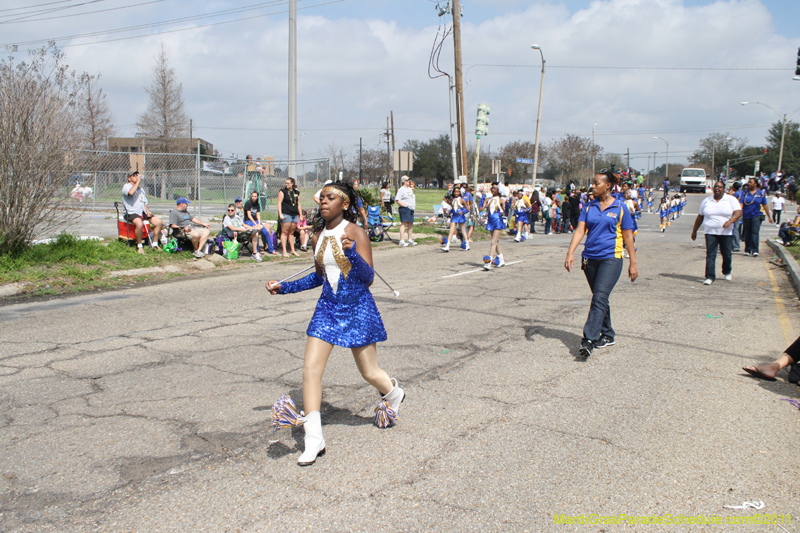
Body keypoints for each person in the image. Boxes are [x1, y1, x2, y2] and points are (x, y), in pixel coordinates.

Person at [266, 181, 405, 466]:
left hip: (358, 309)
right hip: (327, 310)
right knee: (310, 371)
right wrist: (285, 287)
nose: (324, 202)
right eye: (322, 198)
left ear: (344, 204)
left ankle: (392, 392)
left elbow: (367, 278)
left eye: (331, 198)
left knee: (369, 372)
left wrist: (352, 253)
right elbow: (318, 277)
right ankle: (314, 438)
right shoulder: (318, 236)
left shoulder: (356, 232)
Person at [565, 170, 638, 358]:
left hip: (611, 258)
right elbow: (580, 231)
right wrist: (570, 252)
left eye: (597, 183)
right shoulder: (588, 207)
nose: (593, 186)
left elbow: (629, 236)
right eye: (593, 183)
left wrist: (633, 263)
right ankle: (607, 334)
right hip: (590, 258)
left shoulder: (620, 208)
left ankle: (588, 339)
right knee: (600, 297)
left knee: (599, 296)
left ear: (608, 186)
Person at [690, 181, 742, 285]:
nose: (717, 189)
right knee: (710, 254)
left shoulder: (731, 199)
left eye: (720, 187)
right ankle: (710, 277)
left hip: (726, 232)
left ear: (724, 189)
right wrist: (694, 230)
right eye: (715, 187)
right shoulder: (706, 201)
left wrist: (730, 221)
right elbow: (700, 216)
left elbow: (738, 213)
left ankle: (727, 271)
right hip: (710, 232)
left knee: (726, 253)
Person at [121, 171, 163, 254]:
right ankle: (139, 246)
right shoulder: (126, 186)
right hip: (131, 212)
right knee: (139, 223)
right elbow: (131, 193)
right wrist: (137, 182)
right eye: (134, 175)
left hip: (142, 212)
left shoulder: (141, 189)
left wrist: (147, 210)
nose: (137, 176)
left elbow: (144, 202)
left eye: (137, 175)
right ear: (129, 178)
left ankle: (155, 244)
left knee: (159, 222)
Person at [740, 177, 773, 257]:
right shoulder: (744, 193)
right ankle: (747, 249)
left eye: (751, 182)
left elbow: (765, 205)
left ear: (755, 184)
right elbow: (740, 204)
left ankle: (755, 250)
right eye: (749, 182)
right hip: (746, 215)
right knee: (747, 233)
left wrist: (769, 216)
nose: (749, 184)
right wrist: (738, 214)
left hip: (757, 215)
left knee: (754, 232)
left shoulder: (760, 193)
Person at [243, 191, 276, 255]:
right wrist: (255, 224)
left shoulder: (257, 204)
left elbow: (258, 214)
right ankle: (257, 251)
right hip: (248, 221)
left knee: (266, 232)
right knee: (256, 232)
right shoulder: (248, 203)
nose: (253, 198)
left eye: (255, 196)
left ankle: (271, 249)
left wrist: (259, 222)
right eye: (252, 196)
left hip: (256, 221)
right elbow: (249, 215)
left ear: (257, 197)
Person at [483, 183, 506, 270]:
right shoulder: (489, 200)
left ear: (498, 190)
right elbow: (483, 209)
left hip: (497, 222)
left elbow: (504, 211)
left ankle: (489, 261)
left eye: (495, 189)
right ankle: (501, 259)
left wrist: (503, 210)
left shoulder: (501, 200)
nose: (492, 190)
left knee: (493, 242)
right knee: (495, 241)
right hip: (491, 221)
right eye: (492, 188)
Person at [277, 177, 302, 257]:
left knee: (291, 233)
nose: (286, 184)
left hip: (294, 214)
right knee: (284, 232)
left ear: (292, 183)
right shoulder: (282, 191)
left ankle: (292, 250)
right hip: (286, 214)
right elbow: (279, 203)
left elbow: (299, 204)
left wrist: (300, 215)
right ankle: (284, 251)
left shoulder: (296, 192)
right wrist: (280, 214)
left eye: (288, 183)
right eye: (286, 183)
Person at [442, 187, 470, 251]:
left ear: (460, 192)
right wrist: (448, 211)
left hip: (460, 217)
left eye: (457, 192)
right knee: (451, 231)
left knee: (463, 231)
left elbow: (467, 209)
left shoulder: (462, 200)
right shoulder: (453, 200)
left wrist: (462, 212)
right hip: (454, 217)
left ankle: (467, 244)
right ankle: (447, 246)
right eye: (455, 192)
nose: (456, 193)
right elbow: (453, 209)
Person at [396, 175, 417, 247]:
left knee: (410, 223)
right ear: (404, 181)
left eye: (409, 180)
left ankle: (409, 239)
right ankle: (401, 240)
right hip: (404, 208)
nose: (409, 181)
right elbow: (397, 200)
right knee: (404, 223)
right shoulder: (401, 190)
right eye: (407, 180)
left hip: (411, 208)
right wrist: (405, 206)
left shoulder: (410, 189)